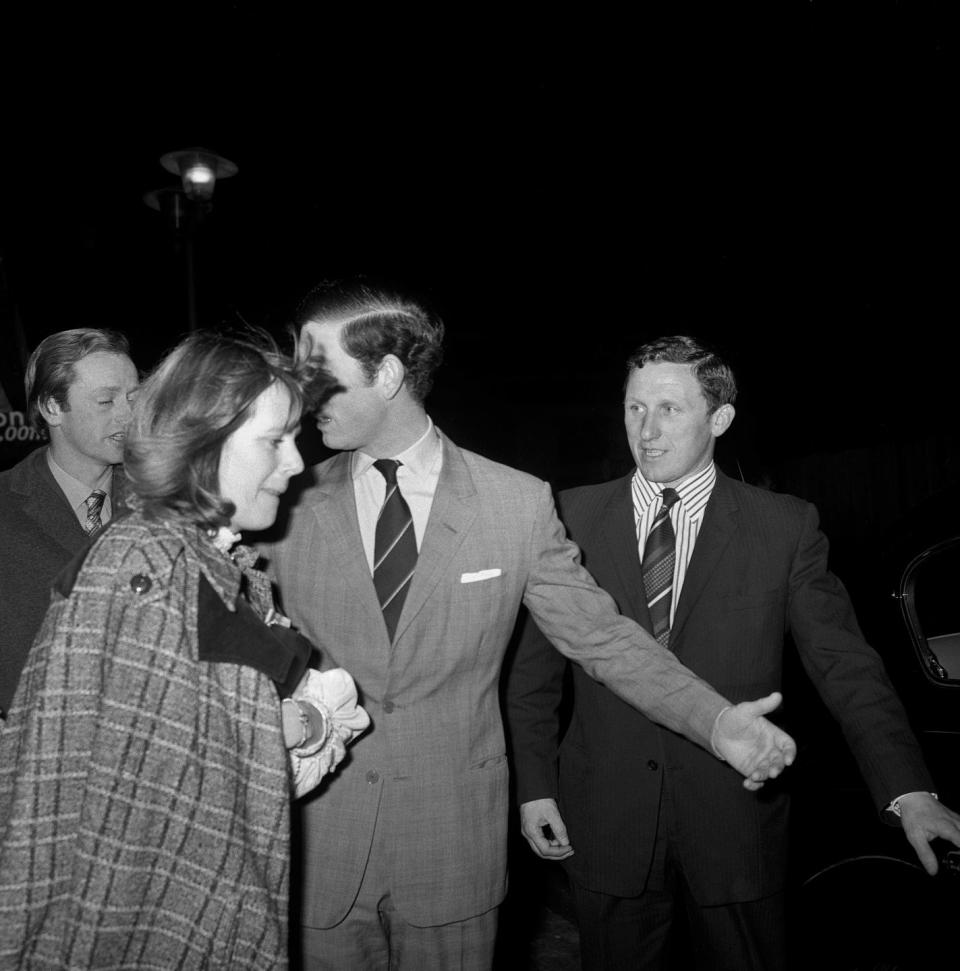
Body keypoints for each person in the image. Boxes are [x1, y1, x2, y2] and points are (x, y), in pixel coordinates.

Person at [258, 284, 796, 971]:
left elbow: (602, 635)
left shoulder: (513, 502)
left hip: (452, 855)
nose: (301, 391)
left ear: (387, 374)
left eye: (316, 367)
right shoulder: (282, 499)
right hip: (318, 850)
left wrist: (720, 723)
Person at [504, 335, 960, 970]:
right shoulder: (567, 517)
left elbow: (846, 668)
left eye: (670, 409)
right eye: (635, 408)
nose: (647, 430)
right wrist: (534, 788)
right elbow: (533, 679)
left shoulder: (784, 526)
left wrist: (908, 790)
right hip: (605, 817)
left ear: (719, 418)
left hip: (736, 822)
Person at [0, 330, 369, 970]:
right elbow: (130, 814)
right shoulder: (149, 565)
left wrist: (295, 722)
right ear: (203, 443)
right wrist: (292, 722)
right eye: (274, 441)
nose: (294, 465)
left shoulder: (207, 563)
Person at [0, 328, 138, 717]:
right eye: (106, 400)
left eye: (133, 397)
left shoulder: (164, 501)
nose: (128, 415)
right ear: (52, 408)